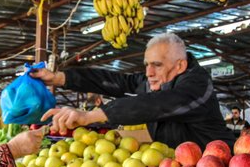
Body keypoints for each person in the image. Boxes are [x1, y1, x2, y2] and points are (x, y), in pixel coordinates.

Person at [31, 32, 235, 149]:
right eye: (146, 64)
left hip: (218, 166)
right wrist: (58, 78)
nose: (149, 72)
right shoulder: (156, 79)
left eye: (157, 65)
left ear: (180, 66)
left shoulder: (197, 85)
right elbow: (115, 81)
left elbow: (157, 104)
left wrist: (89, 116)